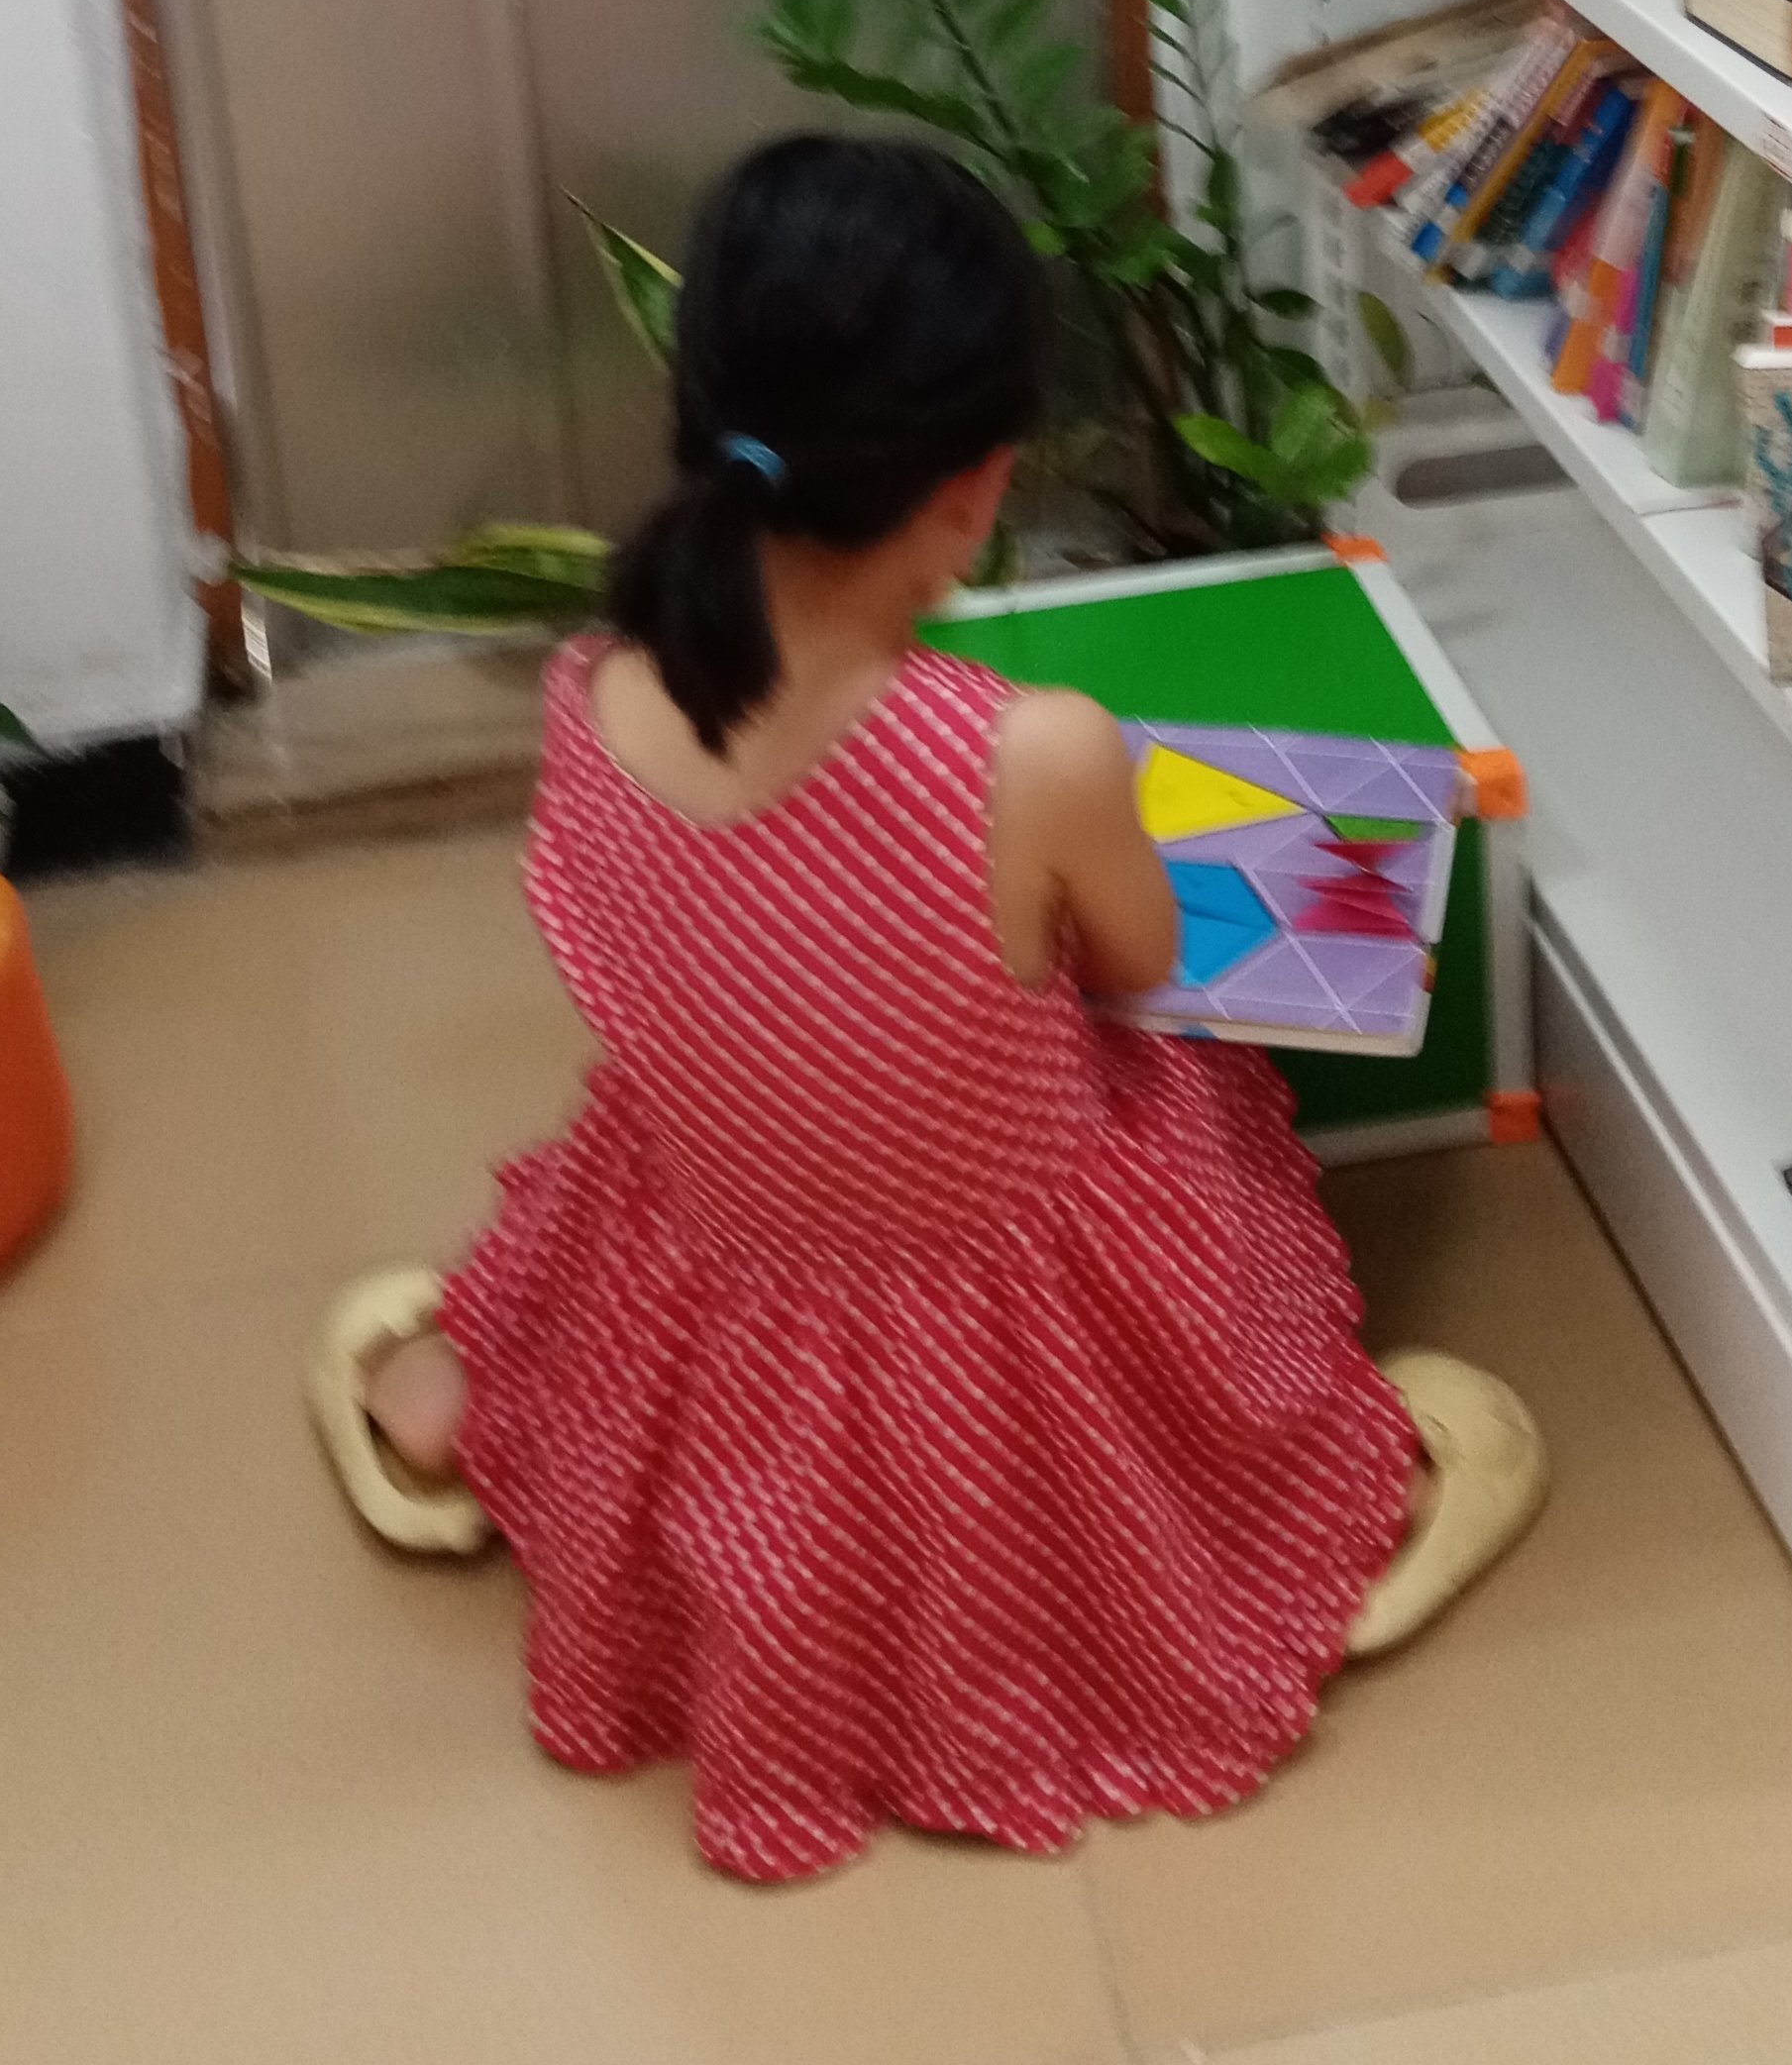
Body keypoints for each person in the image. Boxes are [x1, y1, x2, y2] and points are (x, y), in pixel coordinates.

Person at [305, 133, 1546, 1881]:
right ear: (975, 490)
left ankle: (443, 1417)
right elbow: (1141, 967)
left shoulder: (590, 690)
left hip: (730, 1247)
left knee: (622, 1158)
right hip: (995, 1292)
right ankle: (1303, 1520)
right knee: (1182, 1111)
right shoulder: (1025, 753)